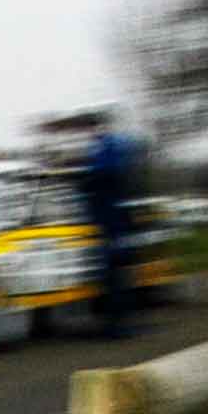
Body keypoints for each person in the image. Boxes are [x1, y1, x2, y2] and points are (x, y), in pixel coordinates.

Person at [77, 116, 145, 339]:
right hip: (116, 229)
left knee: (113, 279)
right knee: (118, 278)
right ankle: (119, 323)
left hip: (111, 230)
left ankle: (116, 325)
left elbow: (95, 185)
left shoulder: (105, 163)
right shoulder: (118, 168)